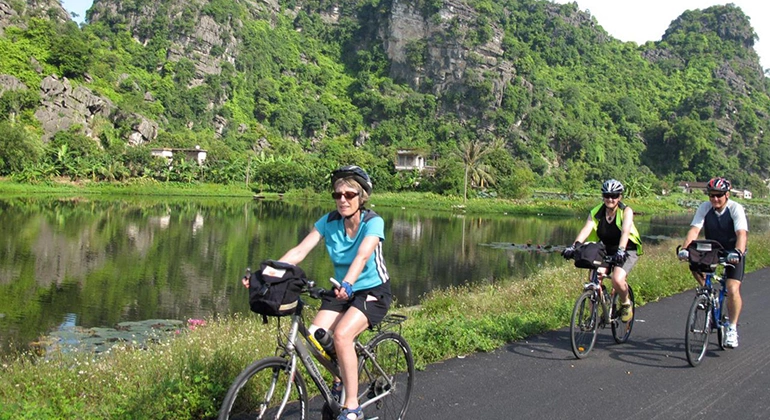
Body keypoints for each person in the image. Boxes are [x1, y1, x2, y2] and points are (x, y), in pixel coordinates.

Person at [244, 165, 391, 420]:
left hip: (371, 291)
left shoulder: (373, 222)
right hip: (341, 289)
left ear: (362, 197)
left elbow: (362, 255)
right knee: (314, 336)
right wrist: (268, 275)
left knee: (343, 335)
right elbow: (299, 252)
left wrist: (348, 283)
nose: (342, 200)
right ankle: (339, 377)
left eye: (349, 194)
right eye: (337, 195)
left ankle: (352, 406)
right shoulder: (328, 222)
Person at [679, 177, 748, 348]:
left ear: (727, 195)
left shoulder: (735, 208)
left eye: (719, 195)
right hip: (713, 250)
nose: (715, 199)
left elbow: (741, 234)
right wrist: (685, 249)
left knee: (732, 288)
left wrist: (738, 252)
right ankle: (706, 291)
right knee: (693, 262)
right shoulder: (705, 208)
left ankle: (732, 328)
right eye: (711, 195)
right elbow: (694, 230)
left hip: (732, 251)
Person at [561, 179, 643, 323]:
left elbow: (625, 232)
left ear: (620, 197)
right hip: (606, 248)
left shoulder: (626, 211)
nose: (610, 199)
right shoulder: (597, 212)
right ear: (603, 196)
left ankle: (625, 304)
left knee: (617, 279)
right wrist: (574, 246)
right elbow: (586, 229)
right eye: (607, 195)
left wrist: (621, 250)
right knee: (594, 278)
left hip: (627, 249)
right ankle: (593, 317)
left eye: (614, 195)